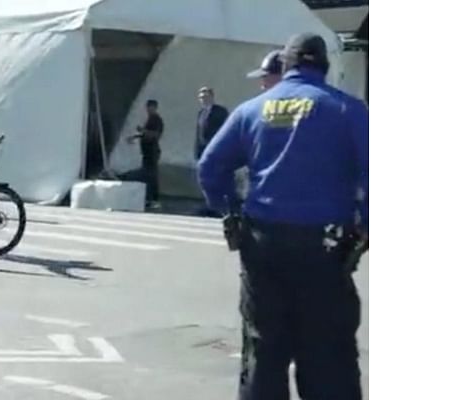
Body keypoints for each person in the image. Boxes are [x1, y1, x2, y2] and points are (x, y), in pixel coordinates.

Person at [197, 33, 368, 400]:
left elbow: (210, 166)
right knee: (328, 353)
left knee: (264, 349)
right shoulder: (348, 111)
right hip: (326, 248)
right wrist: (367, 225)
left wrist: (229, 208)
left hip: (263, 244)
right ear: (324, 67)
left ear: (286, 66)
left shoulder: (251, 110)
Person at [128, 99, 164, 209]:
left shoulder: (156, 120)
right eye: (148, 107)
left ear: (155, 107)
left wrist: (143, 131)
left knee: (152, 176)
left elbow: (154, 135)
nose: (149, 109)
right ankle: (148, 198)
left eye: (151, 107)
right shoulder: (150, 119)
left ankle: (154, 199)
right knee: (147, 176)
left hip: (152, 152)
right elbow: (145, 134)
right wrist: (135, 136)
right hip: (147, 152)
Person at [195, 86, 229, 161]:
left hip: (216, 148)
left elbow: (225, 130)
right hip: (202, 149)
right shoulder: (201, 113)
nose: (203, 99)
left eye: (205, 97)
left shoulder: (220, 111)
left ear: (211, 97)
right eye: (201, 98)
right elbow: (199, 132)